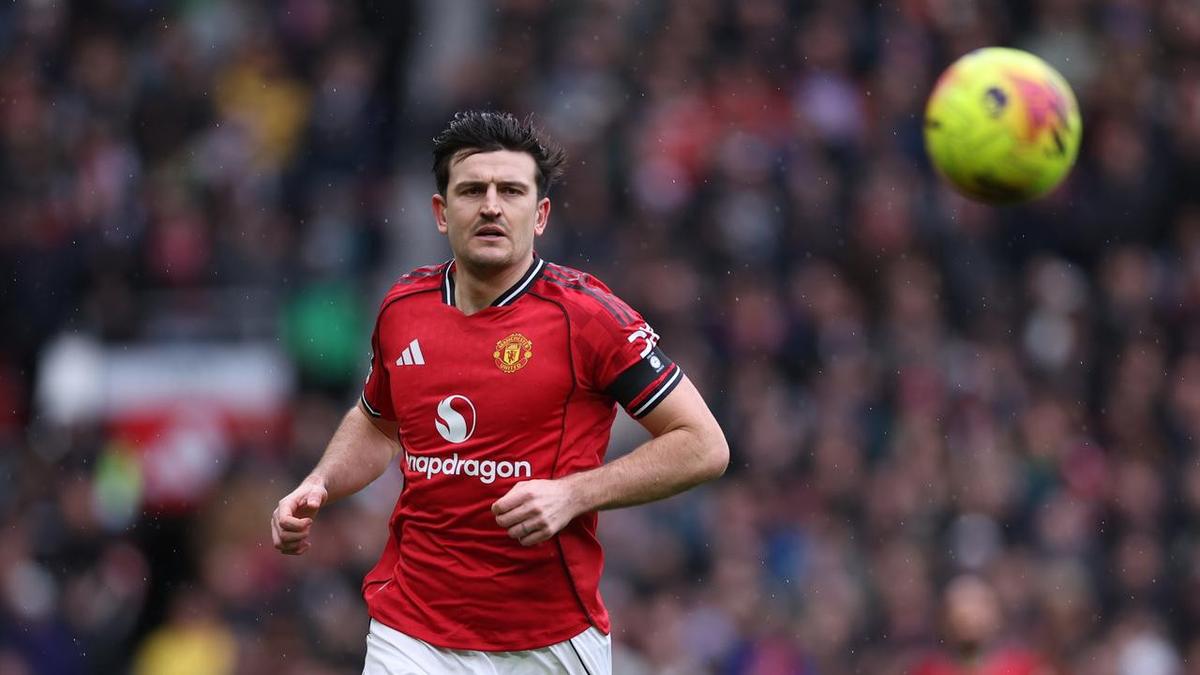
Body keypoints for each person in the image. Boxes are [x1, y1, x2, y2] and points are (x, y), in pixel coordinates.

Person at [269, 110, 729, 675]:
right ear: (441, 213)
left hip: (548, 638)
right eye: (472, 191)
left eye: (510, 190)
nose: (491, 206)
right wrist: (319, 482)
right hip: (411, 630)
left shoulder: (589, 317)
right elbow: (377, 423)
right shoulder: (402, 308)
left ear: (540, 215)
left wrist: (574, 494)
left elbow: (704, 445)